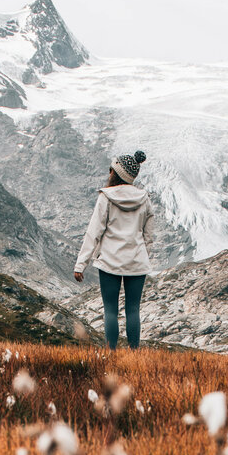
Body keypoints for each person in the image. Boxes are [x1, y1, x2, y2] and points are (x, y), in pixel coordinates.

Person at [74, 150, 153, 350]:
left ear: (115, 173)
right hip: (136, 261)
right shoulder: (144, 199)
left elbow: (94, 233)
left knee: (110, 310)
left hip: (109, 261)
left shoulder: (106, 197)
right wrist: (143, 253)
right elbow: (149, 235)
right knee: (133, 309)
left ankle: (111, 354)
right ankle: (134, 354)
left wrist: (81, 264)